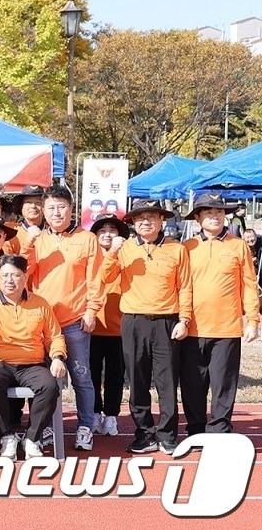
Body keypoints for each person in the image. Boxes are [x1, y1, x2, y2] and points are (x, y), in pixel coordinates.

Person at [99, 199, 192, 454]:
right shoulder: (125, 248)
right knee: (137, 380)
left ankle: (167, 434)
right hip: (133, 321)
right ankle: (144, 434)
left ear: (162, 220)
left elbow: (185, 287)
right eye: (140, 218)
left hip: (166, 321)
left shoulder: (177, 250)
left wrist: (184, 320)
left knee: (166, 381)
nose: (146, 222)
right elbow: (105, 278)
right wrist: (112, 253)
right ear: (132, 223)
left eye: (152, 216)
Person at [23, 185, 102, 451]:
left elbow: (96, 278)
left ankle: (85, 427)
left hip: (75, 320)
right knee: (43, 380)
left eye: (62, 207)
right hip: (42, 323)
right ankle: (44, 428)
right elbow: (21, 273)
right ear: (43, 212)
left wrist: (92, 310)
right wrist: (29, 242)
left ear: (71, 209)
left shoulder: (87, 239)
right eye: (51, 208)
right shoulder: (37, 240)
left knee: (81, 377)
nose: (57, 213)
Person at [0, 255, 67, 460]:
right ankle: (8, 436)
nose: (10, 280)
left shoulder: (40, 303)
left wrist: (57, 356)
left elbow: (54, 335)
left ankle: (32, 438)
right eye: (5, 276)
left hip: (32, 363)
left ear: (25, 276)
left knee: (49, 386)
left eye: (16, 275)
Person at [180, 194, 260, 435]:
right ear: (197, 218)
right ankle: (195, 429)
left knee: (224, 384)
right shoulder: (187, 248)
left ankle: (219, 430)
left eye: (219, 212)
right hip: (192, 328)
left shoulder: (238, 246)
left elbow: (248, 284)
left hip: (227, 328)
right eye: (208, 212)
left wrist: (253, 320)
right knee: (193, 384)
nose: (215, 216)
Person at [88, 215, 127, 437]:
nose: (107, 234)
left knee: (116, 374)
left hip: (118, 326)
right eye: (102, 231)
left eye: (112, 230)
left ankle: (111, 415)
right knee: (91, 374)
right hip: (92, 324)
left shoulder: (125, 256)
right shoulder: (90, 257)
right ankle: (94, 413)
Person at [8, 185, 47, 254]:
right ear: (21, 207)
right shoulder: (11, 233)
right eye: (28, 202)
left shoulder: (53, 230)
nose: (33, 206)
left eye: (38, 202)